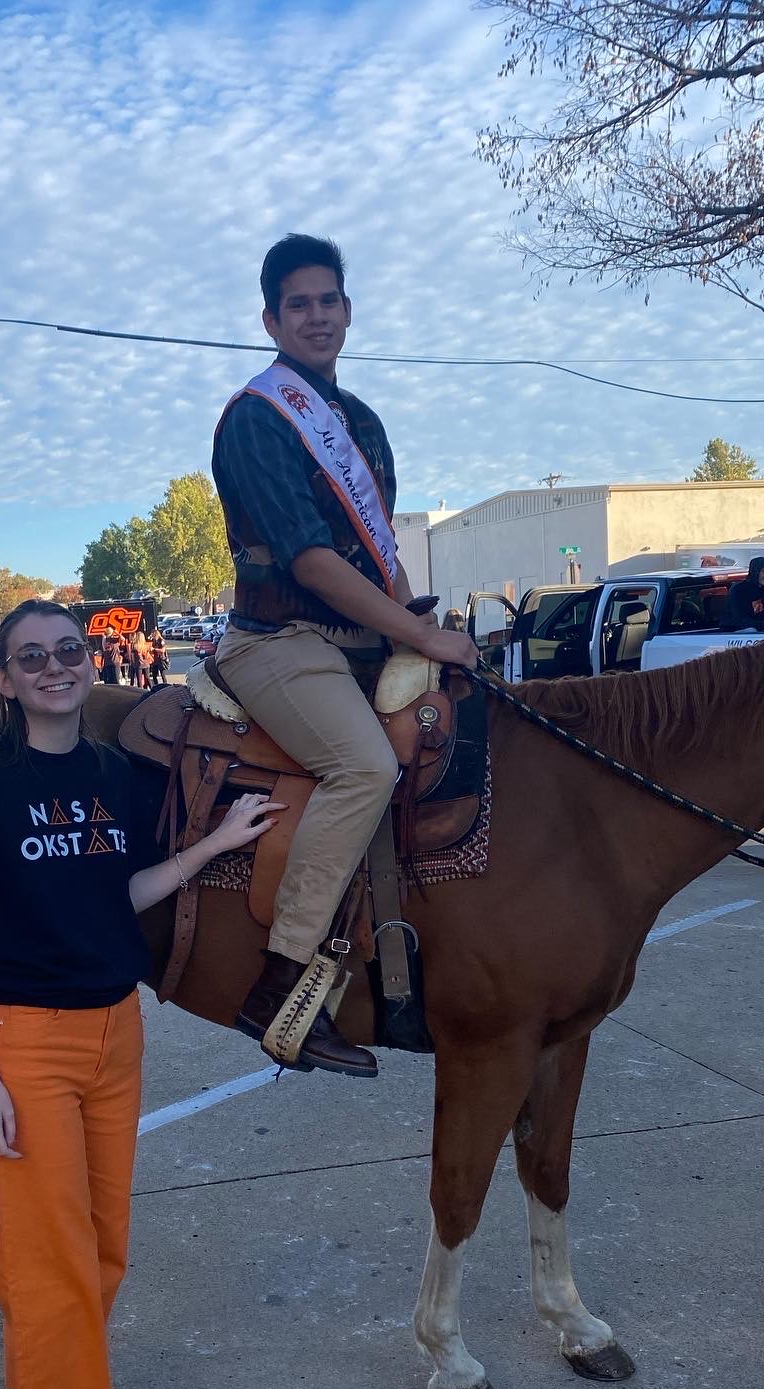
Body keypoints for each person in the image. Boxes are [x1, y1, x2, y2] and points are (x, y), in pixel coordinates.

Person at [0, 598, 279, 1389]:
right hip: (28, 1043)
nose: (54, 667)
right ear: (2, 677)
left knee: (102, 1250)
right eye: (31, 657)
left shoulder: (114, 773)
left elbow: (119, 890)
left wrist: (212, 845)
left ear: (92, 663)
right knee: (48, 1271)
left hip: (114, 1032)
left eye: (69, 652)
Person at [211, 233, 478, 1077]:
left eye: (329, 301)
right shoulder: (257, 419)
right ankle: (281, 983)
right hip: (280, 643)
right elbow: (312, 562)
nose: (317, 316)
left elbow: (379, 548)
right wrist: (420, 634)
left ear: (348, 310)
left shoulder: (359, 420)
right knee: (365, 766)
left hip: (361, 641)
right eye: (299, 305)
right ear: (271, 319)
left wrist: (410, 614)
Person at [720, 557, 764, 632]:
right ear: (755, 572)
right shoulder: (739, 590)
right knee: (752, 630)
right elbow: (739, 620)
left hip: (762, 628)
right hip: (733, 632)